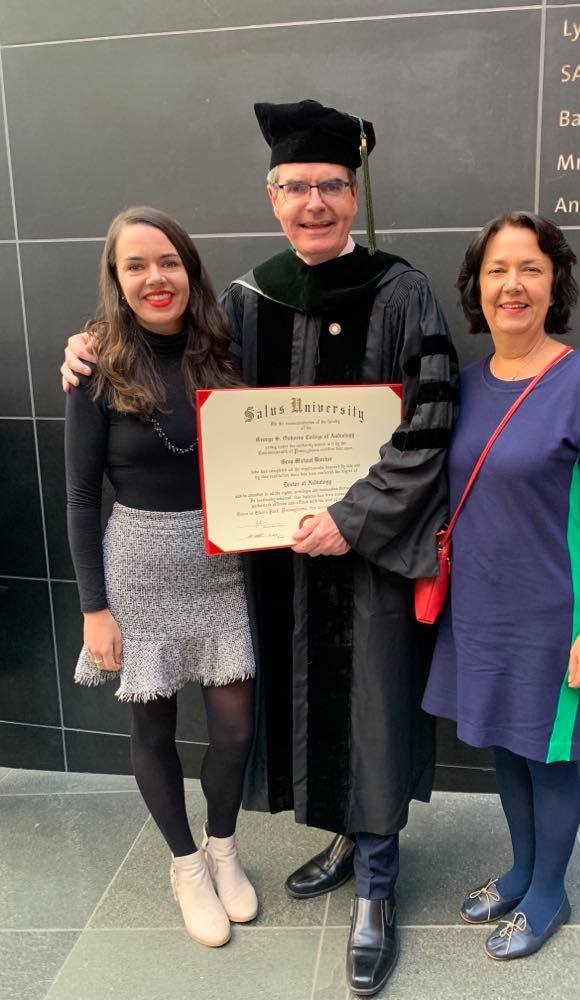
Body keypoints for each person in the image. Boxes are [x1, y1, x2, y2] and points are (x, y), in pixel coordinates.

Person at [62, 101, 456, 996]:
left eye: (331, 187)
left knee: (373, 703)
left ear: (352, 194)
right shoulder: (246, 302)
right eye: (295, 188)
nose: (314, 204)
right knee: (310, 703)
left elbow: (431, 424)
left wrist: (354, 517)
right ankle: (348, 836)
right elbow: (170, 362)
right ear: (272, 197)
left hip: (367, 555)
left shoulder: (404, 293)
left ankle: (378, 887)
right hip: (277, 561)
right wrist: (87, 346)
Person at [422, 212, 580, 961]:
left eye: (530, 269)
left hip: (556, 615)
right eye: (497, 271)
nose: (512, 286)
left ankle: (549, 893)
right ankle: (520, 870)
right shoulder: (464, 386)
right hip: (480, 610)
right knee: (507, 749)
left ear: (554, 284)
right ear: (476, 288)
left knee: (549, 756)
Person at [64, 206, 258, 949]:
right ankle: (186, 866)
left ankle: (223, 848)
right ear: (116, 278)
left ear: (190, 268)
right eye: (136, 265)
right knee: (154, 727)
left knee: (235, 730)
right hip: (138, 570)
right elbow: (81, 499)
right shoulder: (95, 366)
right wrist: (95, 609)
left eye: (168, 261)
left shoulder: (225, 348)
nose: (155, 277)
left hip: (223, 566)